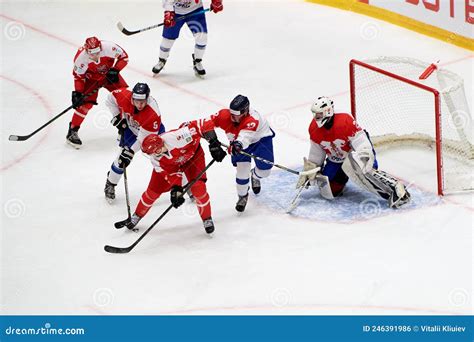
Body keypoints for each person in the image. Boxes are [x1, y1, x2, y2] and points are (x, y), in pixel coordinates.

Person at [297, 96, 411, 208]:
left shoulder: (344, 120)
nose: (316, 117)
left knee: (363, 171)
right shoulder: (314, 129)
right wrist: (311, 170)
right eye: (315, 114)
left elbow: (361, 142)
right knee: (328, 191)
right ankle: (344, 176)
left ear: (327, 112)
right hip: (335, 159)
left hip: (354, 154)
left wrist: (364, 157)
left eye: (319, 114)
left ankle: (396, 189)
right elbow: (316, 153)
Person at [116, 120, 226, 233]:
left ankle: (206, 218)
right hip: (172, 165)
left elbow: (203, 124)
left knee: (198, 188)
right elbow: (171, 174)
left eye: (154, 152)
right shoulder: (156, 159)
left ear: (159, 147)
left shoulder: (176, 137)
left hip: (192, 157)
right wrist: (176, 190)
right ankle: (137, 216)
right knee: (152, 191)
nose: (152, 155)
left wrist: (214, 143)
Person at [201, 95, 275, 212]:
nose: (232, 117)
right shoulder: (224, 115)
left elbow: (244, 138)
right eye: (231, 113)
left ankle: (255, 176)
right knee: (242, 172)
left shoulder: (253, 120)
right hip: (239, 143)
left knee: (265, 171)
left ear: (245, 111)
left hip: (260, 140)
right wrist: (213, 141)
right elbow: (206, 123)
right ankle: (242, 196)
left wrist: (237, 145)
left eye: (236, 114)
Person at [103, 83, 166, 203]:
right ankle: (110, 183)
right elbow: (110, 99)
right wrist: (117, 116)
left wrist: (131, 151)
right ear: (132, 97)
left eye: (142, 101)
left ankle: (183, 185)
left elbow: (143, 139)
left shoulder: (152, 113)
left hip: (151, 133)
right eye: (136, 101)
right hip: (130, 129)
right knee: (121, 161)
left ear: (147, 98)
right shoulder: (124, 95)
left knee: (166, 158)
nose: (139, 105)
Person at [67, 36, 129, 148]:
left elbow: (124, 57)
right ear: (86, 50)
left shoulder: (109, 47)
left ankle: (124, 128)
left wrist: (115, 70)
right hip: (91, 79)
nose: (95, 55)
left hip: (109, 75)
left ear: (100, 47)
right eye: (91, 53)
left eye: (97, 52)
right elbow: (79, 77)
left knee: (124, 97)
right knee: (85, 104)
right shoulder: (81, 58)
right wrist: (78, 93)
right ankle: (73, 130)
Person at [152, 0, 223, 77]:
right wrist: (169, 13)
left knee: (202, 37)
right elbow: (167, 2)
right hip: (176, 12)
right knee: (168, 39)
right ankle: (161, 60)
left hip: (195, 11)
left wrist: (216, 1)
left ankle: (197, 61)